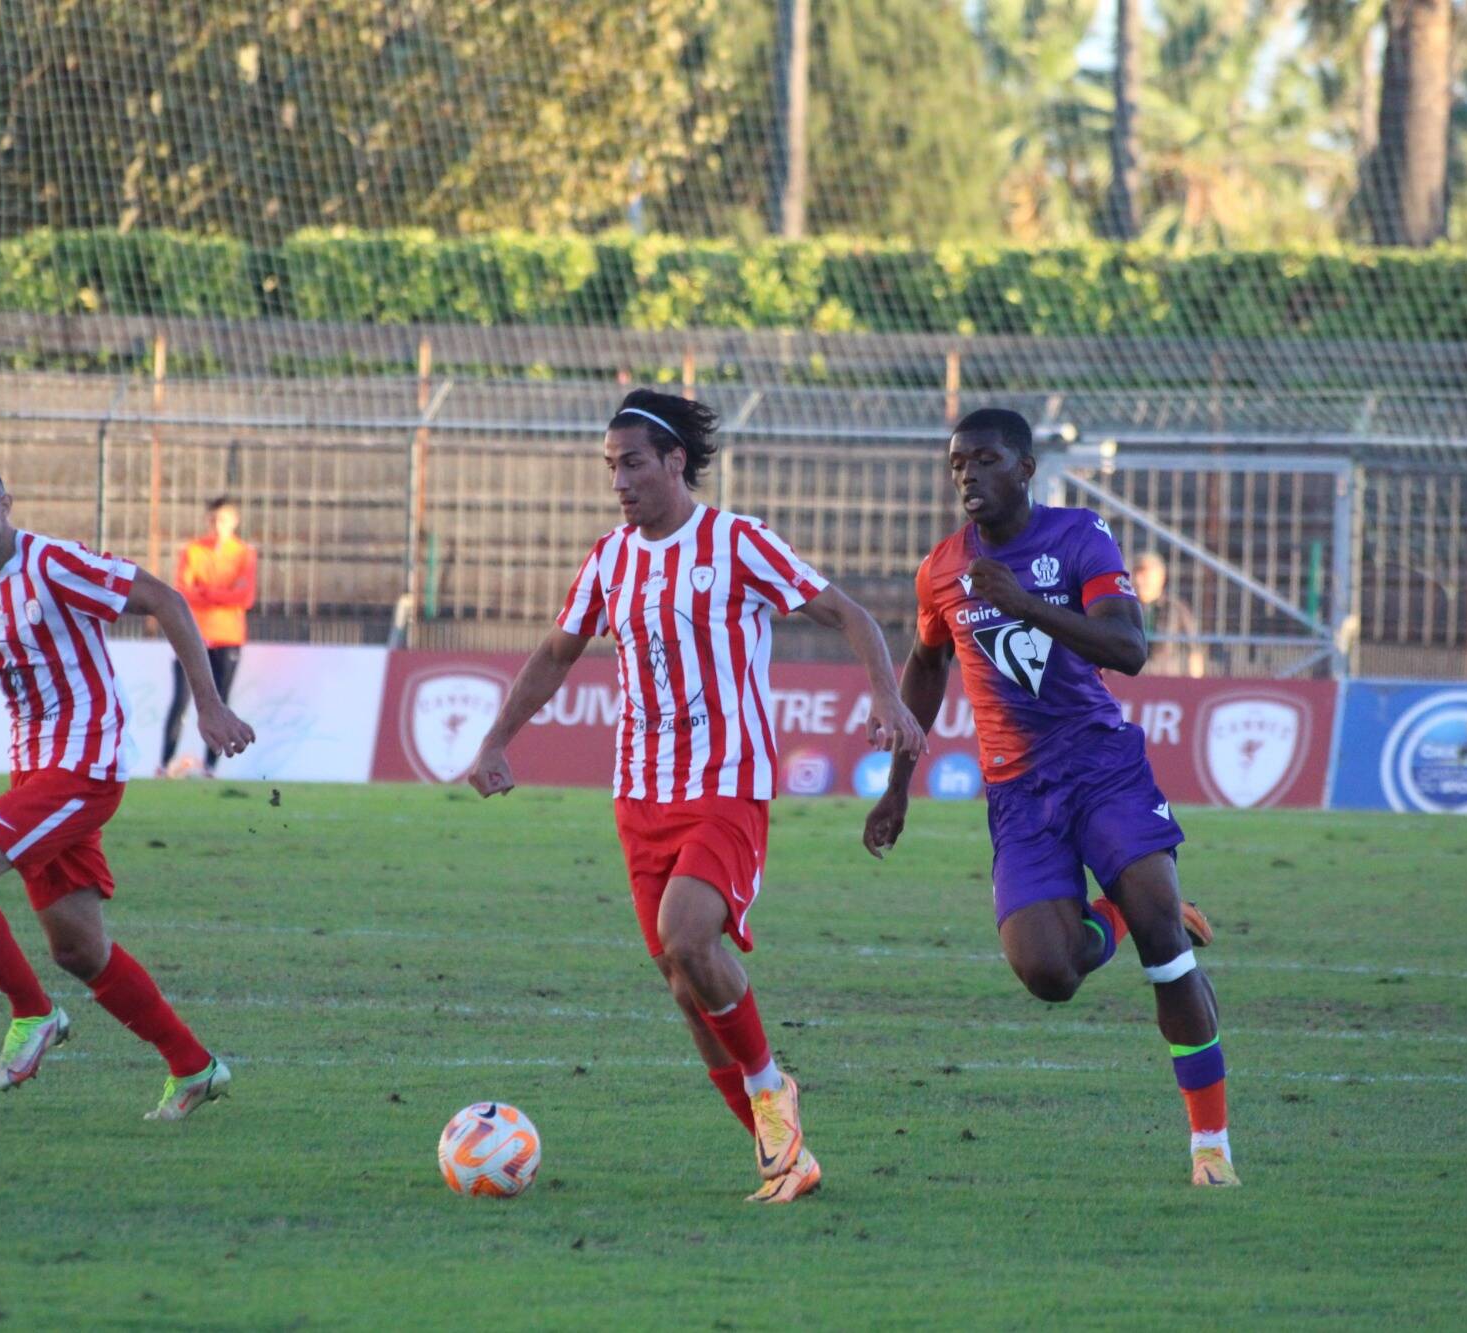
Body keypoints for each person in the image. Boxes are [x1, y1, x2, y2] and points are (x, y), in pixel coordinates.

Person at [467, 389, 925, 1204]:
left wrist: (888, 698)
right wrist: (496, 738)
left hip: (728, 784)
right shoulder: (609, 558)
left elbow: (846, 612)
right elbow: (555, 651)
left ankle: (772, 1086)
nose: (620, 482)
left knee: (688, 936)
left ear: (676, 460)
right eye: (611, 467)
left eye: (634, 463)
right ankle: (784, 1156)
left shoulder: (737, 542)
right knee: (685, 986)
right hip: (640, 794)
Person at [861, 408, 1238, 1188]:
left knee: (1167, 954)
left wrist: (1026, 602)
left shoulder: (1079, 539)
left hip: (1101, 766)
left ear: (1026, 469)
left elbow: (1129, 648)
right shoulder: (940, 570)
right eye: (957, 463)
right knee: (1048, 973)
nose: (967, 475)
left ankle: (1212, 1149)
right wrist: (899, 785)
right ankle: (1116, 914)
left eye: (986, 460)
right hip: (1018, 792)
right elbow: (926, 667)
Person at [0, 457, 256, 1120]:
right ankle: (194, 1067)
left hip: (86, 765)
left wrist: (207, 706)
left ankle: (32, 1013)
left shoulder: (53, 564)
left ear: (5, 503)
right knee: (78, 948)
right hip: (34, 770)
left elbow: (166, 599)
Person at [159, 497, 256, 778]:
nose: (217, 526)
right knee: (180, 700)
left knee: (220, 702)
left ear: (234, 522)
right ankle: (164, 764)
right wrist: (223, 594)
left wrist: (206, 592)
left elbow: (245, 596)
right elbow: (183, 592)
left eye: (223, 520)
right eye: (213, 520)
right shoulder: (193, 550)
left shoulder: (244, 554)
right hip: (193, 636)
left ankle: (211, 767)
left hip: (228, 635)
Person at [1131, 550, 1204, 677]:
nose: (1139, 580)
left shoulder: (1176, 609)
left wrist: (1196, 686)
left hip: (1165, 681)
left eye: (1145, 574)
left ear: (1161, 577)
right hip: (1128, 682)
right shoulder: (1124, 607)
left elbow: (1194, 650)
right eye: (1136, 574)